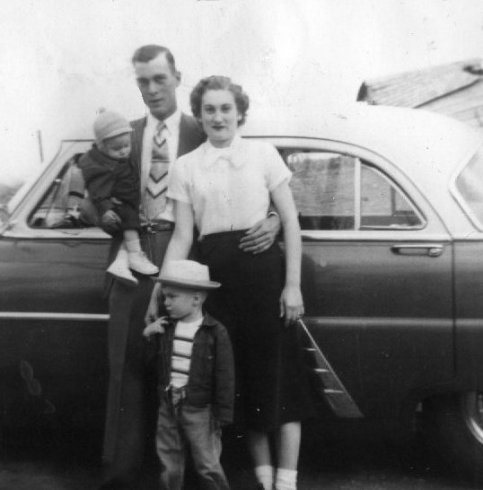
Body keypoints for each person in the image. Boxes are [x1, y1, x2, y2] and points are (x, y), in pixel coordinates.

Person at [99, 45, 281, 490]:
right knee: (128, 361)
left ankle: (199, 470)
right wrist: (93, 209)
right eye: (142, 81)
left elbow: (248, 179)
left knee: (193, 361)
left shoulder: (204, 127)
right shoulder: (125, 132)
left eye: (159, 79)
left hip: (185, 249)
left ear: (177, 78)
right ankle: (124, 473)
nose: (151, 89)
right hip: (132, 249)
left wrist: (273, 218)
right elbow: (95, 186)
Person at [154, 75, 314, 490]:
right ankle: (263, 479)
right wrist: (163, 285)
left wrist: (292, 285)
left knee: (277, 378)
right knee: (239, 381)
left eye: (226, 108)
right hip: (217, 284)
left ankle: (287, 480)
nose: (218, 116)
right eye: (209, 109)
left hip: (265, 281)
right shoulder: (186, 167)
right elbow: (184, 235)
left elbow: (291, 221)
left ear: (239, 112)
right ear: (199, 115)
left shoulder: (262, 155)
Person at [143, 259, 234, 490]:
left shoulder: (214, 332)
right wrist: (148, 336)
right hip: (168, 403)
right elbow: (149, 364)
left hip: (201, 408)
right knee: (169, 460)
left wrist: (223, 413)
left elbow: (225, 375)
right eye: (165, 297)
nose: (166, 303)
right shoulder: (165, 328)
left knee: (207, 462)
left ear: (196, 299)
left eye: (172, 296)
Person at [79, 110, 159, 286]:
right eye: (117, 148)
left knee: (131, 225)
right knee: (130, 223)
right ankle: (135, 255)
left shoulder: (118, 160)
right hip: (119, 204)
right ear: (101, 147)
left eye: (126, 146)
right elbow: (97, 191)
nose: (124, 151)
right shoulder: (101, 167)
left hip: (129, 200)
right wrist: (106, 209)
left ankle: (120, 262)